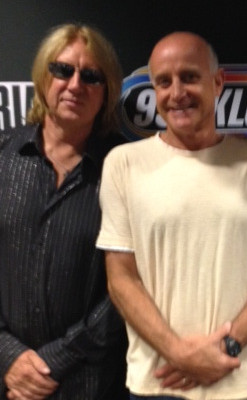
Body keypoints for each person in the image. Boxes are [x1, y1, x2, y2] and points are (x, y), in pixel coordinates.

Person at [96, 31, 247, 400]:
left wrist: (226, 348)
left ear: (217, 82)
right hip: (156, 382)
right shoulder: (123, 165)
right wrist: (180, 353)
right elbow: (120, 278)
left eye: (189, 76)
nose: (177, 93)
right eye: (163, 82)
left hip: (238, 381)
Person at [0, 23, 128, 400]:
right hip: (10, 381)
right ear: (43, 76)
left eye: (91, 76)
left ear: (106, 92)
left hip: (91, 382)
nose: (75, 85)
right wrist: (9, 355)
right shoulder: (2, 156)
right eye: (63, 70)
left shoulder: (125, 167)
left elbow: (133, 281)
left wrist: (58, 359)